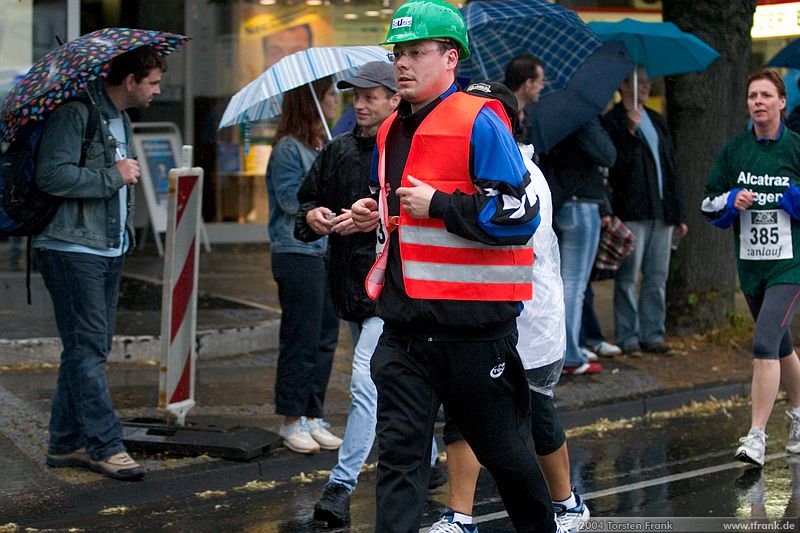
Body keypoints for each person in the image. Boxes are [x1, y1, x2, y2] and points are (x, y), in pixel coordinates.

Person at [350, 1, 560, 532]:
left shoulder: (480, 119)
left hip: (474, 333)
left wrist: (440, 205)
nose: (402, 64)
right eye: (398, 53)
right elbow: (405, 214)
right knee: (399, 462)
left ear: (449, 57)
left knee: (508, 459)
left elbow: (519, 215)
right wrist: (375, 213)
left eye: (416, 52)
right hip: (404, 332)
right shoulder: (388, 130)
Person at [428, 80, 590, 533]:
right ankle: (460, 516)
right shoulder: (467, 164)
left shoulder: (525, 174)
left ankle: (567, 504)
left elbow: (512, 238)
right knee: (463, 410)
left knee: (535, 416)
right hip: (477, 313)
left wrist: (447, 209)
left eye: (479, 113)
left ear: (502, 123)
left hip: (528, 317)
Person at [294, 61, 443, 527]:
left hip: (395, 289)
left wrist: (380, 214)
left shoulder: (410, 149)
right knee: (395, 379)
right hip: (352, 292)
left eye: (369, 96)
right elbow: (304, 206)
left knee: (365, 384)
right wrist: (314, 217)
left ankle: (340, 485)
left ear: (394, 100)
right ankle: (432, 458)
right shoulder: (337, 151)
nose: (358, 103)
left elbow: (428, 212)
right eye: (354, 96)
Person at [33, 45, 168, 481]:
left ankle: (64, 442)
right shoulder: (76, 114)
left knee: (84, 349)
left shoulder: (122, 119)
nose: (157, 90)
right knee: (90, 350)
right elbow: (51, 175)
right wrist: (115, 175)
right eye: (152, 82)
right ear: (130, 81)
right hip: (72, 249)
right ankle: (106, 445)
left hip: (108, 248)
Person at [701, 70, 800, 466]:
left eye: (765, 95)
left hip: (790, 265)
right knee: (782, 346)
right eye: (751, 95)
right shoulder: (734, 151)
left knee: (763, 343)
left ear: (781, 103)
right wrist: (731, 199)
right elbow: (708, 202)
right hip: (751, 265)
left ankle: (756, 436)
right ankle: (798, 417)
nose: (757, 101)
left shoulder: (795, 148)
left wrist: (792, 198)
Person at [266, 76, 343, 455]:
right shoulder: (288, 149)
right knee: (301, 337)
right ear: (311, 101)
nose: (337, 101)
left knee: (326, 336)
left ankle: (314, 414)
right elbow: (288, 200)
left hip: (326, 251)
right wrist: (322, 195)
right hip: (297, 252)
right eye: (330, 94)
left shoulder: (323, 146)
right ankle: (291, 419)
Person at [601, 67, 688, 357]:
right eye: (640, 82)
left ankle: (652, 333)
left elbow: (671, 169)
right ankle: (628, 336)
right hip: (632, 210)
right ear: (624, 87)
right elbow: (615, 166)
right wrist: (629, 132)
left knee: (656, 276)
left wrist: (678, 213)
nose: (646, 87)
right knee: (627, 278)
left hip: (661, 211)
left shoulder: (657, 121)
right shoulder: (613, 121)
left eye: (649, 82)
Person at [543, 115, 616, 375]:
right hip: (581, 202)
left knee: (561, 282)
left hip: (559, 202)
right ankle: (569, 354)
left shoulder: (546, 117)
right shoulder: (580, 115)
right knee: (575, 284)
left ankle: (564, 347)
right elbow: (608, 155)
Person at [503, 53, 544, 131]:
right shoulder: (499, 117)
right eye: (540, 81)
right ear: (528, 83)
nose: (542, 86)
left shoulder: (527, 116)